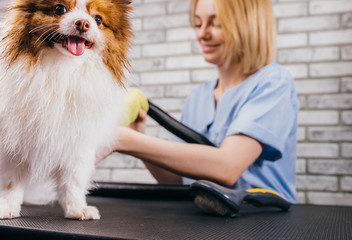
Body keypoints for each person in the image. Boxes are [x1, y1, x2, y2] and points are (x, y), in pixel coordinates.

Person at [97, 0, 299, 203]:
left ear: (248, 24)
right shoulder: (198, 97)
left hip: (263, 220)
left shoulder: (273, 82)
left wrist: (121, 139)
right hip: (209, 221)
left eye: (216, 23)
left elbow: (228, 167)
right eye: (197, 23)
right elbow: (177, 180)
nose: (202, 34)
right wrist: (136, 135)